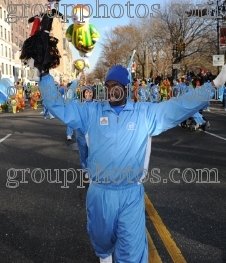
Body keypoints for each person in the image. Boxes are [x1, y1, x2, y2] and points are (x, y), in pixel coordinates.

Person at [38, 64, 226, 263]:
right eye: (108, 85)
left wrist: (214, 84)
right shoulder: (90, 113)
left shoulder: (144, 114)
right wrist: (44, 75)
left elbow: (179, 105)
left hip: (130, 195)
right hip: (100, 194)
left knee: (132, 254)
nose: (112, 89)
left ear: (126, 88)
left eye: (117, 84)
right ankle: (105, 257)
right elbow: (56, 104)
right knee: (101, 242)